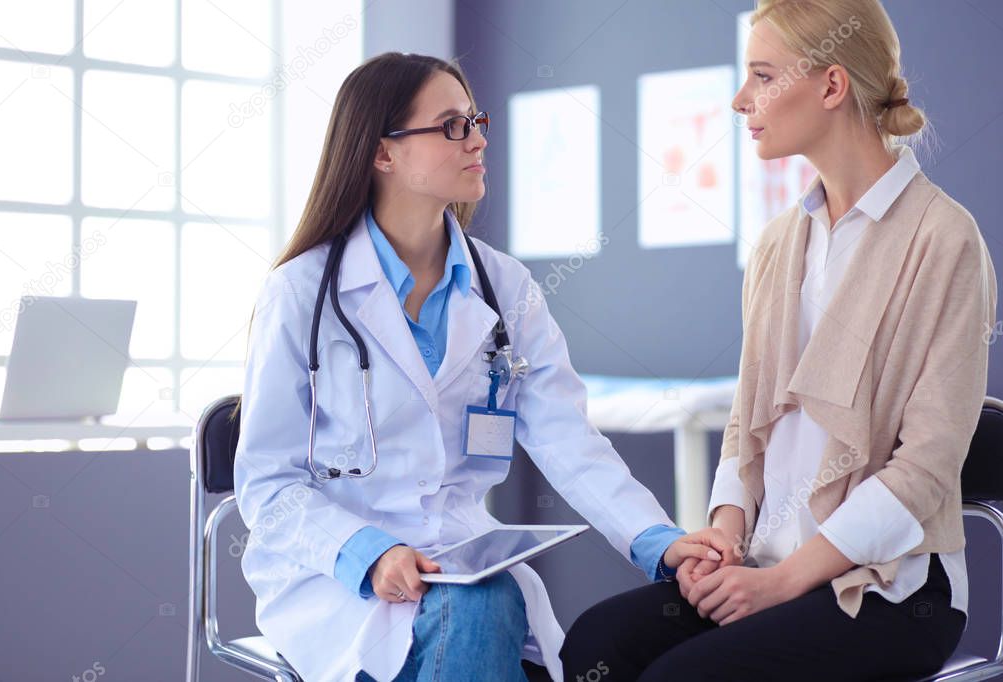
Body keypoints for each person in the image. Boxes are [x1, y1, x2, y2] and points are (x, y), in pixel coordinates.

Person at [232, 52, 734, 682]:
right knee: (486, 608)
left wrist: (658, 540)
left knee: (486, 605)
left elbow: (568, 440)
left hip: (462, 557)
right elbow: (268, 486)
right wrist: (368, 552)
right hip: (334, 576)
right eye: (451, 126)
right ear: (382, 152)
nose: (477, 140)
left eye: (475, 120)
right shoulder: (301, 293)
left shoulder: (505, 287)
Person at [561, 1, 997, 680]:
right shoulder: (776, 245)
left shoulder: (943, 240)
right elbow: (747, 425)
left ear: (830, 86)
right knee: (596, 644)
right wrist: (727, 539)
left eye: (761, 76)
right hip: (764, 565)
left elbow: (927, 465)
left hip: (887, 592)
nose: (741, 100)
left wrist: (786, 580)